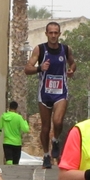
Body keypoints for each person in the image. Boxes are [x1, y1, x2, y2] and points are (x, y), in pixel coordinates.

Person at [24, 21, 76, 169]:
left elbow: (73, 64)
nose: (53, 35)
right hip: (45, 93)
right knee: (45, 127)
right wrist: (40, 68)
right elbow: (27, 69)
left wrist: (71, 70)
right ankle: (46, 155)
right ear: (46, 34)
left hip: (61, 92)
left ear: (59, 34)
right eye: (50, 33)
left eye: (56, 33)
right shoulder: (40, 49)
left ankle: (55, 139)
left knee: (58, 121)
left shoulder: (65, 49)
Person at [0, 100, 30, 165]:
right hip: (17, 143)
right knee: (15, 162)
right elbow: (26, 130)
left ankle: (9, 171)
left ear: (9, 107)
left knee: (8, 159)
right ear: (16, 108)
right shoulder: (19, 117)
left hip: (7, 142)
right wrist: (25, 122)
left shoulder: (3, 117)